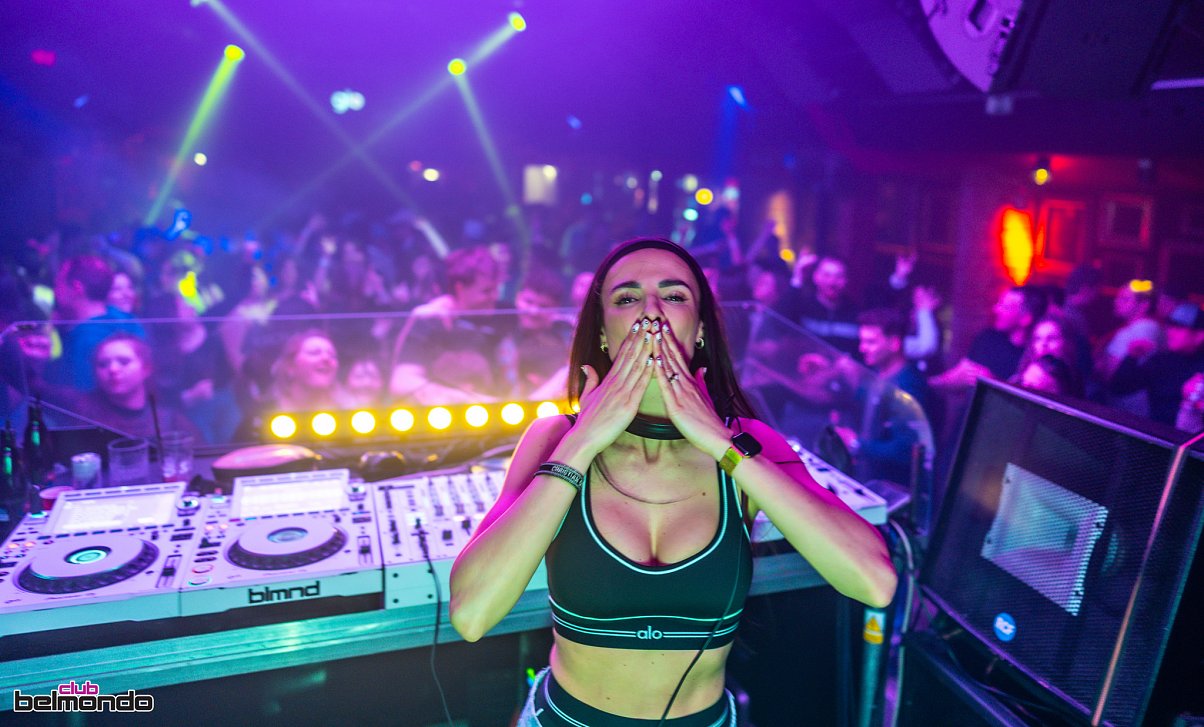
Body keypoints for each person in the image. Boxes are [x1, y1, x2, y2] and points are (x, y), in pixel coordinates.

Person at [450, 237, 896, 726]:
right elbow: (472, 614)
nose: (652, 313)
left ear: (699, 329)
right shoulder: (555, 438)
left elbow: (874, 583)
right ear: (603, 333)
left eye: (674, 295)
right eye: (627, 298)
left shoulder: (749, 442)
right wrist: (583, 442)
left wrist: (723, 445)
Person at [45, 255, 146, 392]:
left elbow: (81, 397)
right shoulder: (130, 321)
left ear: (76, 288)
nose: (56, 291)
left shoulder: (85, 340)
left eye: (59, 284)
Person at [70, 332, 198, 440]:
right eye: (103, 364)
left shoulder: (171, 422)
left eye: (124, 362)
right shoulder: (82, 416)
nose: (113, 369)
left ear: (146, 368)